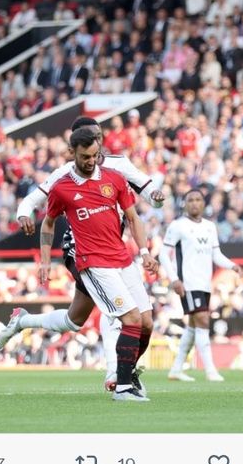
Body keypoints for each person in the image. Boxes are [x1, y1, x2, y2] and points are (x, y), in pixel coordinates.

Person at [0, 116, 164, 393]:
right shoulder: (63, 176)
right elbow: (34, 205)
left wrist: (157, 198)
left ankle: (23, 320)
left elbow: (147, 192)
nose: (94, 144)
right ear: (73, 146)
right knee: (120, 312)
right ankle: (116, 374)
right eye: (86, 138)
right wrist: (23, 214)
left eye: (96, 137)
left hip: (114, 248)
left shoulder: (118, 166)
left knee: (75, 320)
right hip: (79, 249)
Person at [43, 127, 159, 400]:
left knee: (146, 323)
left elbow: (132, 218)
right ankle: (121, 387)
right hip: (93, 262)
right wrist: (45, 261)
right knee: (129, 319)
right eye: (85, 156)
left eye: (95, 155)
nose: (91, 161)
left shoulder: (114, 179)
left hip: (122, 258)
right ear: (72, 153)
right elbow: (48, 223)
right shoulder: (61, 188)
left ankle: (128, 373)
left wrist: (144, 252)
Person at [160, 189, 241, 382]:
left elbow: (216, 254)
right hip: (188, 283)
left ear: (203, 204)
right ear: (185, 204)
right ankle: (210, 370)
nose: (195, 203)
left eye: (198, 200)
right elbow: (164, 254)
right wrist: (174, 279)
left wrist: (232, 265)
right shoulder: (178, 226)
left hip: (205, 284)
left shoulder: (209, 227)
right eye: (190, 200)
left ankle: (176, 369)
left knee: (195, 326)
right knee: (203, 321)